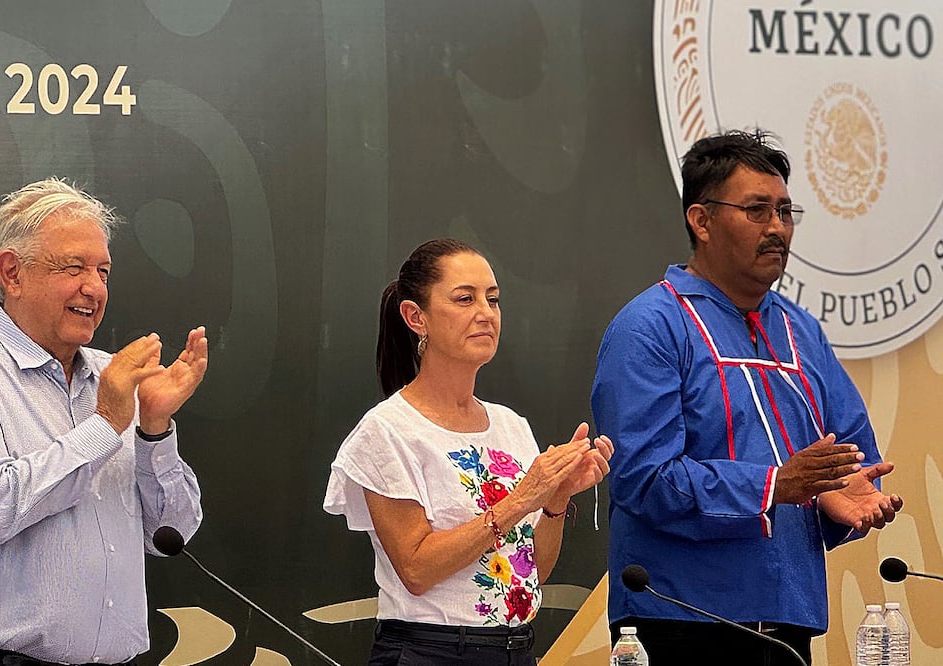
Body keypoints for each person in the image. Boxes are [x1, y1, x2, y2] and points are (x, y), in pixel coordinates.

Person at [591, 130, 903, 665]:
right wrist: (775, 485)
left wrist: (840, 491)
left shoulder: (802, 331)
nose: (777, 227)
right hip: (680, 619)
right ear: (702, 220)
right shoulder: (649, 327)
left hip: (788, 622)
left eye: (784, 211)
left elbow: (850, 454)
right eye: (757, 210)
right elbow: (643, 479)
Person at [0, 178, 208, 665]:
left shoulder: (114, 377)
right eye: (74, 267)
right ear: (12, 273)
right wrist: (106, 424)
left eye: (103, 271)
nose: (95, 288)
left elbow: (171, 534)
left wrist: (154, 428)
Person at [324, 239, 613, 665]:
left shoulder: (511, 426)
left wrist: (556, 497)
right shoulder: (387, 430)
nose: (486, 313)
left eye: (492, 299)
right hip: (430, 651)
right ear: (415, 316)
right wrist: (520, 500)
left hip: (516, 648)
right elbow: (416, 570)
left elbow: (530, 572)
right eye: (465, 299)